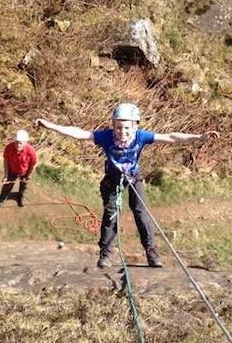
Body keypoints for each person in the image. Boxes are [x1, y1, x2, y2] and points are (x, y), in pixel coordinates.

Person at [35, 102, 219, 269]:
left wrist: (200, 136)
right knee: (110, 213)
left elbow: (170, 137)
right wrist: (50, 125)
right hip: (112, 178)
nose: (122, 132)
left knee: (141, 211)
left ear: (135, 126)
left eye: (126, 128)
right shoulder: (106, 137)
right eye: (118, 127)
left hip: (133, 177)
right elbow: (80, 134)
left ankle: (151, 252)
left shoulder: (141, 136)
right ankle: (106, 254)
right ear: (113, 126)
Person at [0, 130, 37, 212]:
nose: (18, 145)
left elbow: (33, 164)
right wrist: (6, 175)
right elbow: (6, 161)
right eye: (17, 142)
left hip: (25, 172)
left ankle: (21, 197)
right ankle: (1, 200)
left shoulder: (30, 150)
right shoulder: (9, 148)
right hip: (12, 170)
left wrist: (29, 175)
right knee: (6, 186)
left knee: (24, 186)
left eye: (21, 143)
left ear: (25, 143)